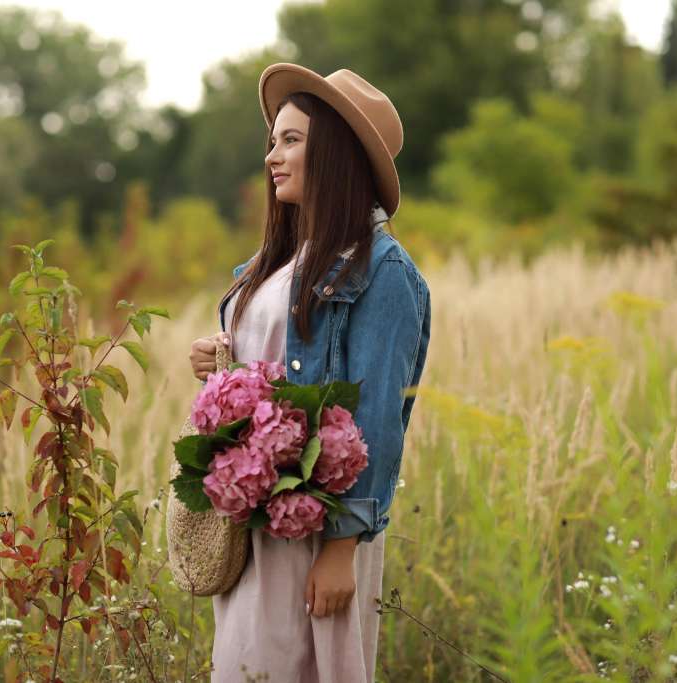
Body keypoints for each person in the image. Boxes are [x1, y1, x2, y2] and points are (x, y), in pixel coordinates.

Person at [187, 63, 431, 683]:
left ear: (338, 154)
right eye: (274, 140)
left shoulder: (382, 273)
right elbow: (272, 375)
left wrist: (342, 547)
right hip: (257, 526)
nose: (273, 155)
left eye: (291, 140)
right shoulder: (273, 263)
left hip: (318, 532)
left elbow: (376, 416)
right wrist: (218, 367)